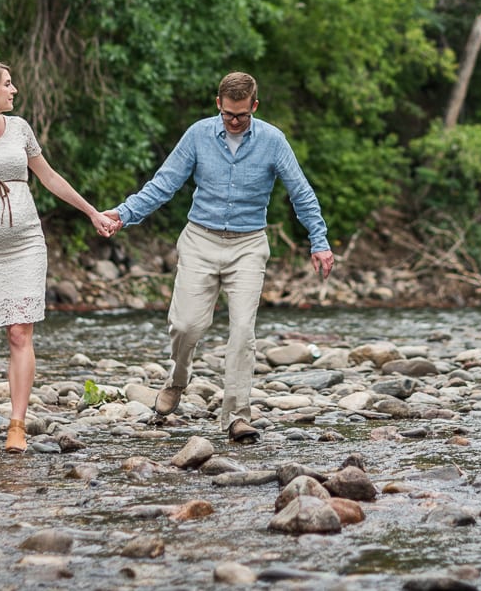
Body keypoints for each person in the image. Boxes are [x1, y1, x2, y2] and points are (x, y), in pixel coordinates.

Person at [105, 71, 333, 443]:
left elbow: (302, 193)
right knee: (186, 326)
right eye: (228, 114)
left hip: (248, 245)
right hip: (199, 239)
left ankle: (236, 415)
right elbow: (164, 184)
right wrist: (123, 214)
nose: (234, 121)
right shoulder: (198, 135)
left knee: (243, 331)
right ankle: (178, 379)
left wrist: (319, 241)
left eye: (242, 115)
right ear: (218, 105)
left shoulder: (273, 141)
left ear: (254, 107)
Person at [0, 59, 117, 453]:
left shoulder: (20, 129)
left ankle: (16, 425)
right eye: (7, 84)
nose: (14, 89)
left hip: (25, 245)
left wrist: (92, 212)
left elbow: (49, 176)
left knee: (20, 332)